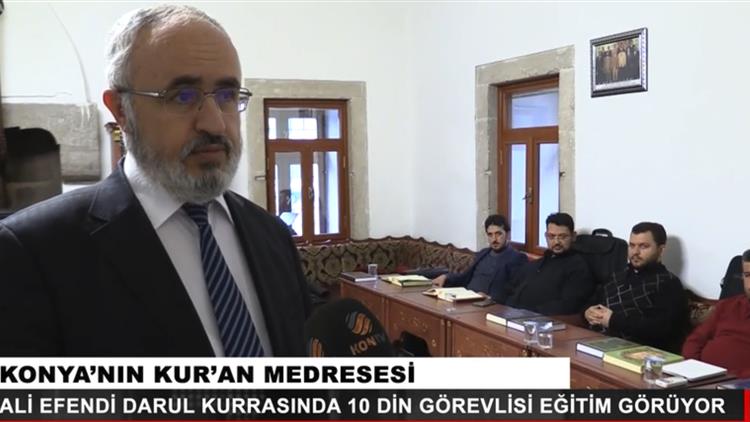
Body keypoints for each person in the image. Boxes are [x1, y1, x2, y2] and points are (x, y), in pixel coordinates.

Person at [0, 5, 311, 356]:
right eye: (183, 96)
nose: (215, 124)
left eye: (227, 96)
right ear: (121, 110)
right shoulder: (33, 253)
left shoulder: (272, 235)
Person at [584, 222, 689, 353]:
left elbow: (662, 329)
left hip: (637, 353)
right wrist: (588, 312)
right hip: (596, 343)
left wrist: (613, 320)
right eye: (632, 245)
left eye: (643, 246)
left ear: (661, 250)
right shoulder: (617, 276)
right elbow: (593, 302)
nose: (635, 252)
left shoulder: (668, 283)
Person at [503, 213, 595, 314]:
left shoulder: (577, 267)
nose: (556, 242)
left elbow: (568, 304)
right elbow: (510, 289)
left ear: (573, 236)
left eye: (562, 237)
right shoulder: (537, 263)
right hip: (512, 314)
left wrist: (530, 313)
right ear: (546, 236)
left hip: (538, 318)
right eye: (552, 236)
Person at [682, 249, 750, 377]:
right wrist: (694, 369)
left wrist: (728, 378)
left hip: (736, 384)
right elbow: (695, 340)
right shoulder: (727, 306)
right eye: (748, 275)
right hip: (701, 377)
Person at [432, 214, 527, 300]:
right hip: (465, 298)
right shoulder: (483, 253)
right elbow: (464, 277)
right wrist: (446, 277)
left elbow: (515, 292)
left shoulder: (517, 258)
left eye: (498, 234)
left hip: (489, 304)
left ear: (508, 234)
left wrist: (490, 298)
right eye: (490, 235)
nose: (494, 239)